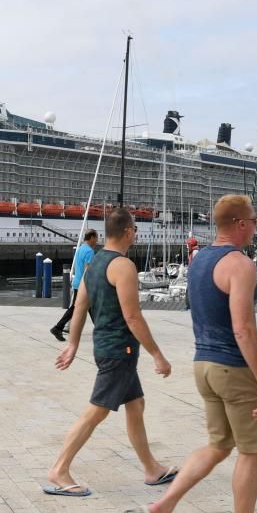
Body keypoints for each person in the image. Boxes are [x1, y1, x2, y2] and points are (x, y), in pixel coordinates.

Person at [136, 195, 257, 513]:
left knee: (219, 445)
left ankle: (162, 508)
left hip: (202, 365)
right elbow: (244, 329)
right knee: (250, 452)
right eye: (253, 220)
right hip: (233, 369)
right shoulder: (240, 264)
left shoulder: (199, 260)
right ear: (239, 223)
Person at [45, 208, 177, 497]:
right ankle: (59, 469)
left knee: (136, 404)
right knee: (96, 411)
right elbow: (133, 317)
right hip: (119, 349)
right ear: (128, 231)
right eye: (136, 230)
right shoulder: (123, 266)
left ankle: (151, 469)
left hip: (108, 347)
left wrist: (73, 344)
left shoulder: (94, 264)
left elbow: (80, 307)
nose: (137, 234)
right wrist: (157, 354)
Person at [50, 229, 98, 342]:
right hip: (84, 284)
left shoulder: (80, 249)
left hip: (78, 282)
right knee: (82, 308)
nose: (97, 241)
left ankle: (58, 328)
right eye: (96, 238)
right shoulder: (89, 251)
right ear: (91, 237)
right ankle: (57, 328)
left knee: (87, 308)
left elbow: (79, 267)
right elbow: (87, 270)